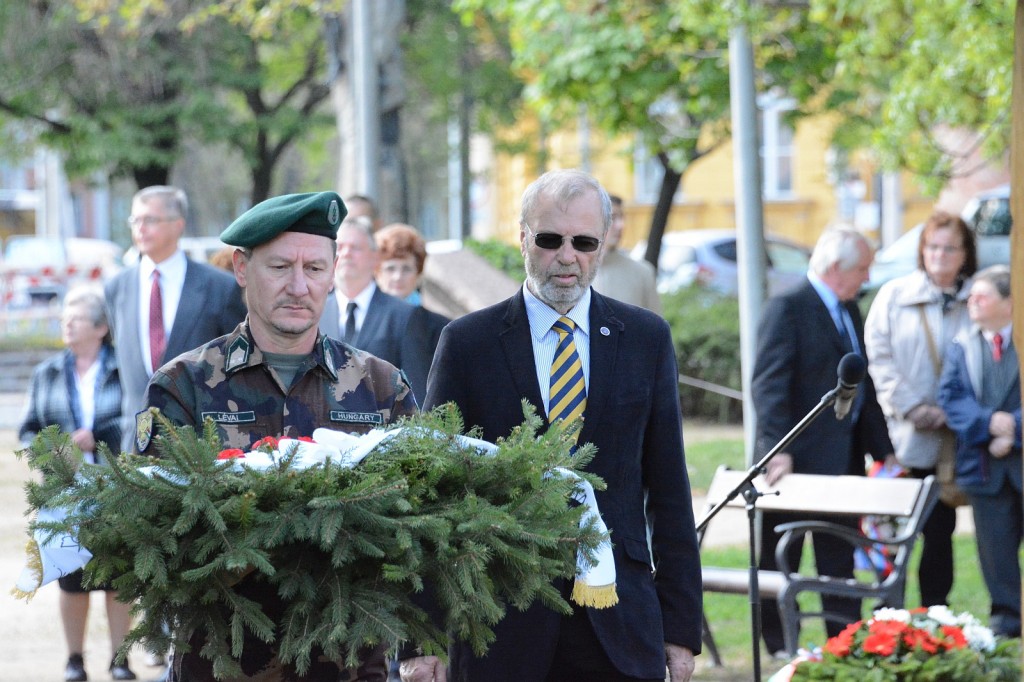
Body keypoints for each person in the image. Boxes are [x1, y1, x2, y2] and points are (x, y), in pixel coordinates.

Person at [400, 169, 701, 682]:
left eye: (584, 242)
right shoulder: (468, 343)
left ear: (602, 244)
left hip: (618, 623)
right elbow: (432, 491)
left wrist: (680, 626)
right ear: (522, 238)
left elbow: (670, 488)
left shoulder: (645, 338)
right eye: (550, 239)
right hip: (499, 624)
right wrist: (420, 636)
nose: (567, 256)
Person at [140, 191, 418, 680]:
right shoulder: (183, 387)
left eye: (314, 268)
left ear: (333, 273)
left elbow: (418, 528)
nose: (298, 286)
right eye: (280, 267)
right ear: (242, 268)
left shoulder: (380, 387)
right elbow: (157, 537)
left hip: (347, 665)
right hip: (220, 663)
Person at [751, 227, 896, 657]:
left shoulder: (849, 309)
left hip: (843, 463)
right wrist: (778, 450)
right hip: (791, 465)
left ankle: (843, 644)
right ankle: (780, 647)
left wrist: (884, 450)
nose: (866, 278)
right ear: (836, 267)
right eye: (862, 268)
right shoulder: (788, 307)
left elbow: (861, 384)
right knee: (781, 559)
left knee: (839, 560)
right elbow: (769, 386)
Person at [18, 285, 137, 682]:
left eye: (76, 318)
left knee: (119, 579)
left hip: (116, 488)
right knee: (71, 582)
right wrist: (52, 449)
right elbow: (27, 431)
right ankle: (74, 661)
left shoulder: (124, 367)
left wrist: (98, 436)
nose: (66, 324)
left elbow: (137, 420)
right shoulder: (47, 373)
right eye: (64, 318)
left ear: (101, 327)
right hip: (63, 496)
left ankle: (120, 660)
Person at [864, 211, 977, 607]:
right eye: (933, 247)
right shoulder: (894, 296)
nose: (940, 255)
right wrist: (910, 406)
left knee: (940, 530)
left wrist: (956, 412)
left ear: (965, 254)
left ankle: (934, 612)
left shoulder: (977, 297)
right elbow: (878, 358)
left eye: (950, 248)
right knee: (892, 530)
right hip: (903, 438)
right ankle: (887, 613)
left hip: (955, 440)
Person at [105, 185, 247, 455]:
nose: (140, 228)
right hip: (137, 444)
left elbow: (237, 364)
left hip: (200, 443)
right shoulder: (117, 288)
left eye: (150, 220)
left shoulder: (219, 287)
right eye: (135, 220)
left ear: (178, 224)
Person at [938, 264, 1021, 638]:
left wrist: (1015, 430)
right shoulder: (963, 346)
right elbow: (951, 397)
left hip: (1019, 459)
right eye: (970, 296)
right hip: (984, 467)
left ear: (1008, 302)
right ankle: (1007, 620)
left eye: (982, 296)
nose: (972, 301)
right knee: (995, 549)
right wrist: (989, 424)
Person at [319, 216, 421, 397]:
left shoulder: (404, 315)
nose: (346, 253)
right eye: (340, 247)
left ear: (375, 257)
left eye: (355, 247)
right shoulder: (316, 312)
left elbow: (415, 388)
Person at [373, 223, 450, 401]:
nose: (398, 277)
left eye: (406, 268)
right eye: (390, 268)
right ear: (377, 272)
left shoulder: (441, 327)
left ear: (418, 274)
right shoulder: (360, 320)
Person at [590, 195, 661, 313]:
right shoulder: (575, 273)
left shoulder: (642, 273)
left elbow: (656, 322)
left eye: (622, 217)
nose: (621, 225)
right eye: (612, 218)